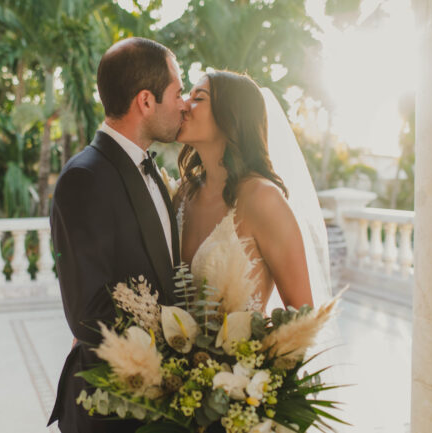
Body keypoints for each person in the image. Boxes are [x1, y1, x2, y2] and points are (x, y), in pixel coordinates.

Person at [47, 37, 187, 433]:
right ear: (146, 101)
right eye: (177, 91)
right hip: (111, 409)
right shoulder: (84, 178)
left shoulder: (151, 170)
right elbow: (88, 314)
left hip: (159, 403)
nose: (183, 102)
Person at [175, 70, 333, 313]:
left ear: (231, 116)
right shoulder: (183, 193)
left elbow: (301, 315)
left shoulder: (264, 200)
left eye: (198, 98)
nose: (184, 105)